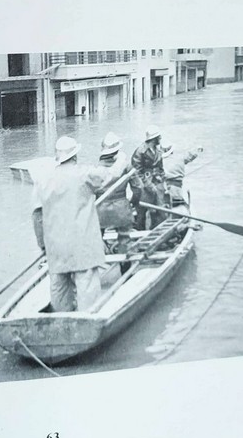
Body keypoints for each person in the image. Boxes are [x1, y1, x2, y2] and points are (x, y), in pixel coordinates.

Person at [31, 136, 107, 313]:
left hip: (56, 246)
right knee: (86, 284)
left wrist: (43, 246)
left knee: (59, 286)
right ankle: (88, 319)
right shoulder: (84, 174)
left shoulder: (42, 180)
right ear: (75, 156)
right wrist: (120, 162)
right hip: (82, 245)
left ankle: (59, 321)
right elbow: (106, 176)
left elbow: (37, 215)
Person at [94, 131, 134, 259]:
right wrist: (133, 203)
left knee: (96, 236)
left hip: (100, 210)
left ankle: (98, 265)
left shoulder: (96, 169)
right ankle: (125, 267)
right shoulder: (127, 165)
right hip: (121, 209)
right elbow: (138, 188)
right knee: (124, 238)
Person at [128, 124, 167, 230]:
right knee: (141, 212)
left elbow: (160, 167)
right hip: (143, 186)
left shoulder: (157, 150)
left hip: (157, 182)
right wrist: (148, 185)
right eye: (159, 137)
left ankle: (158, 231)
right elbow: (136, 172)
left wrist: (163, 179)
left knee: (160, 210)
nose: (161, 138)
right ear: (154, 138)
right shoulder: (140, 151)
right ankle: (139, 232)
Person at [161, 141, 203, 209]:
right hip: (176, 189)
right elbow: (190, 156)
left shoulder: (160, 160)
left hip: (165, 188)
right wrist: (198, 150)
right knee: (178, 203)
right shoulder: (179, 158)